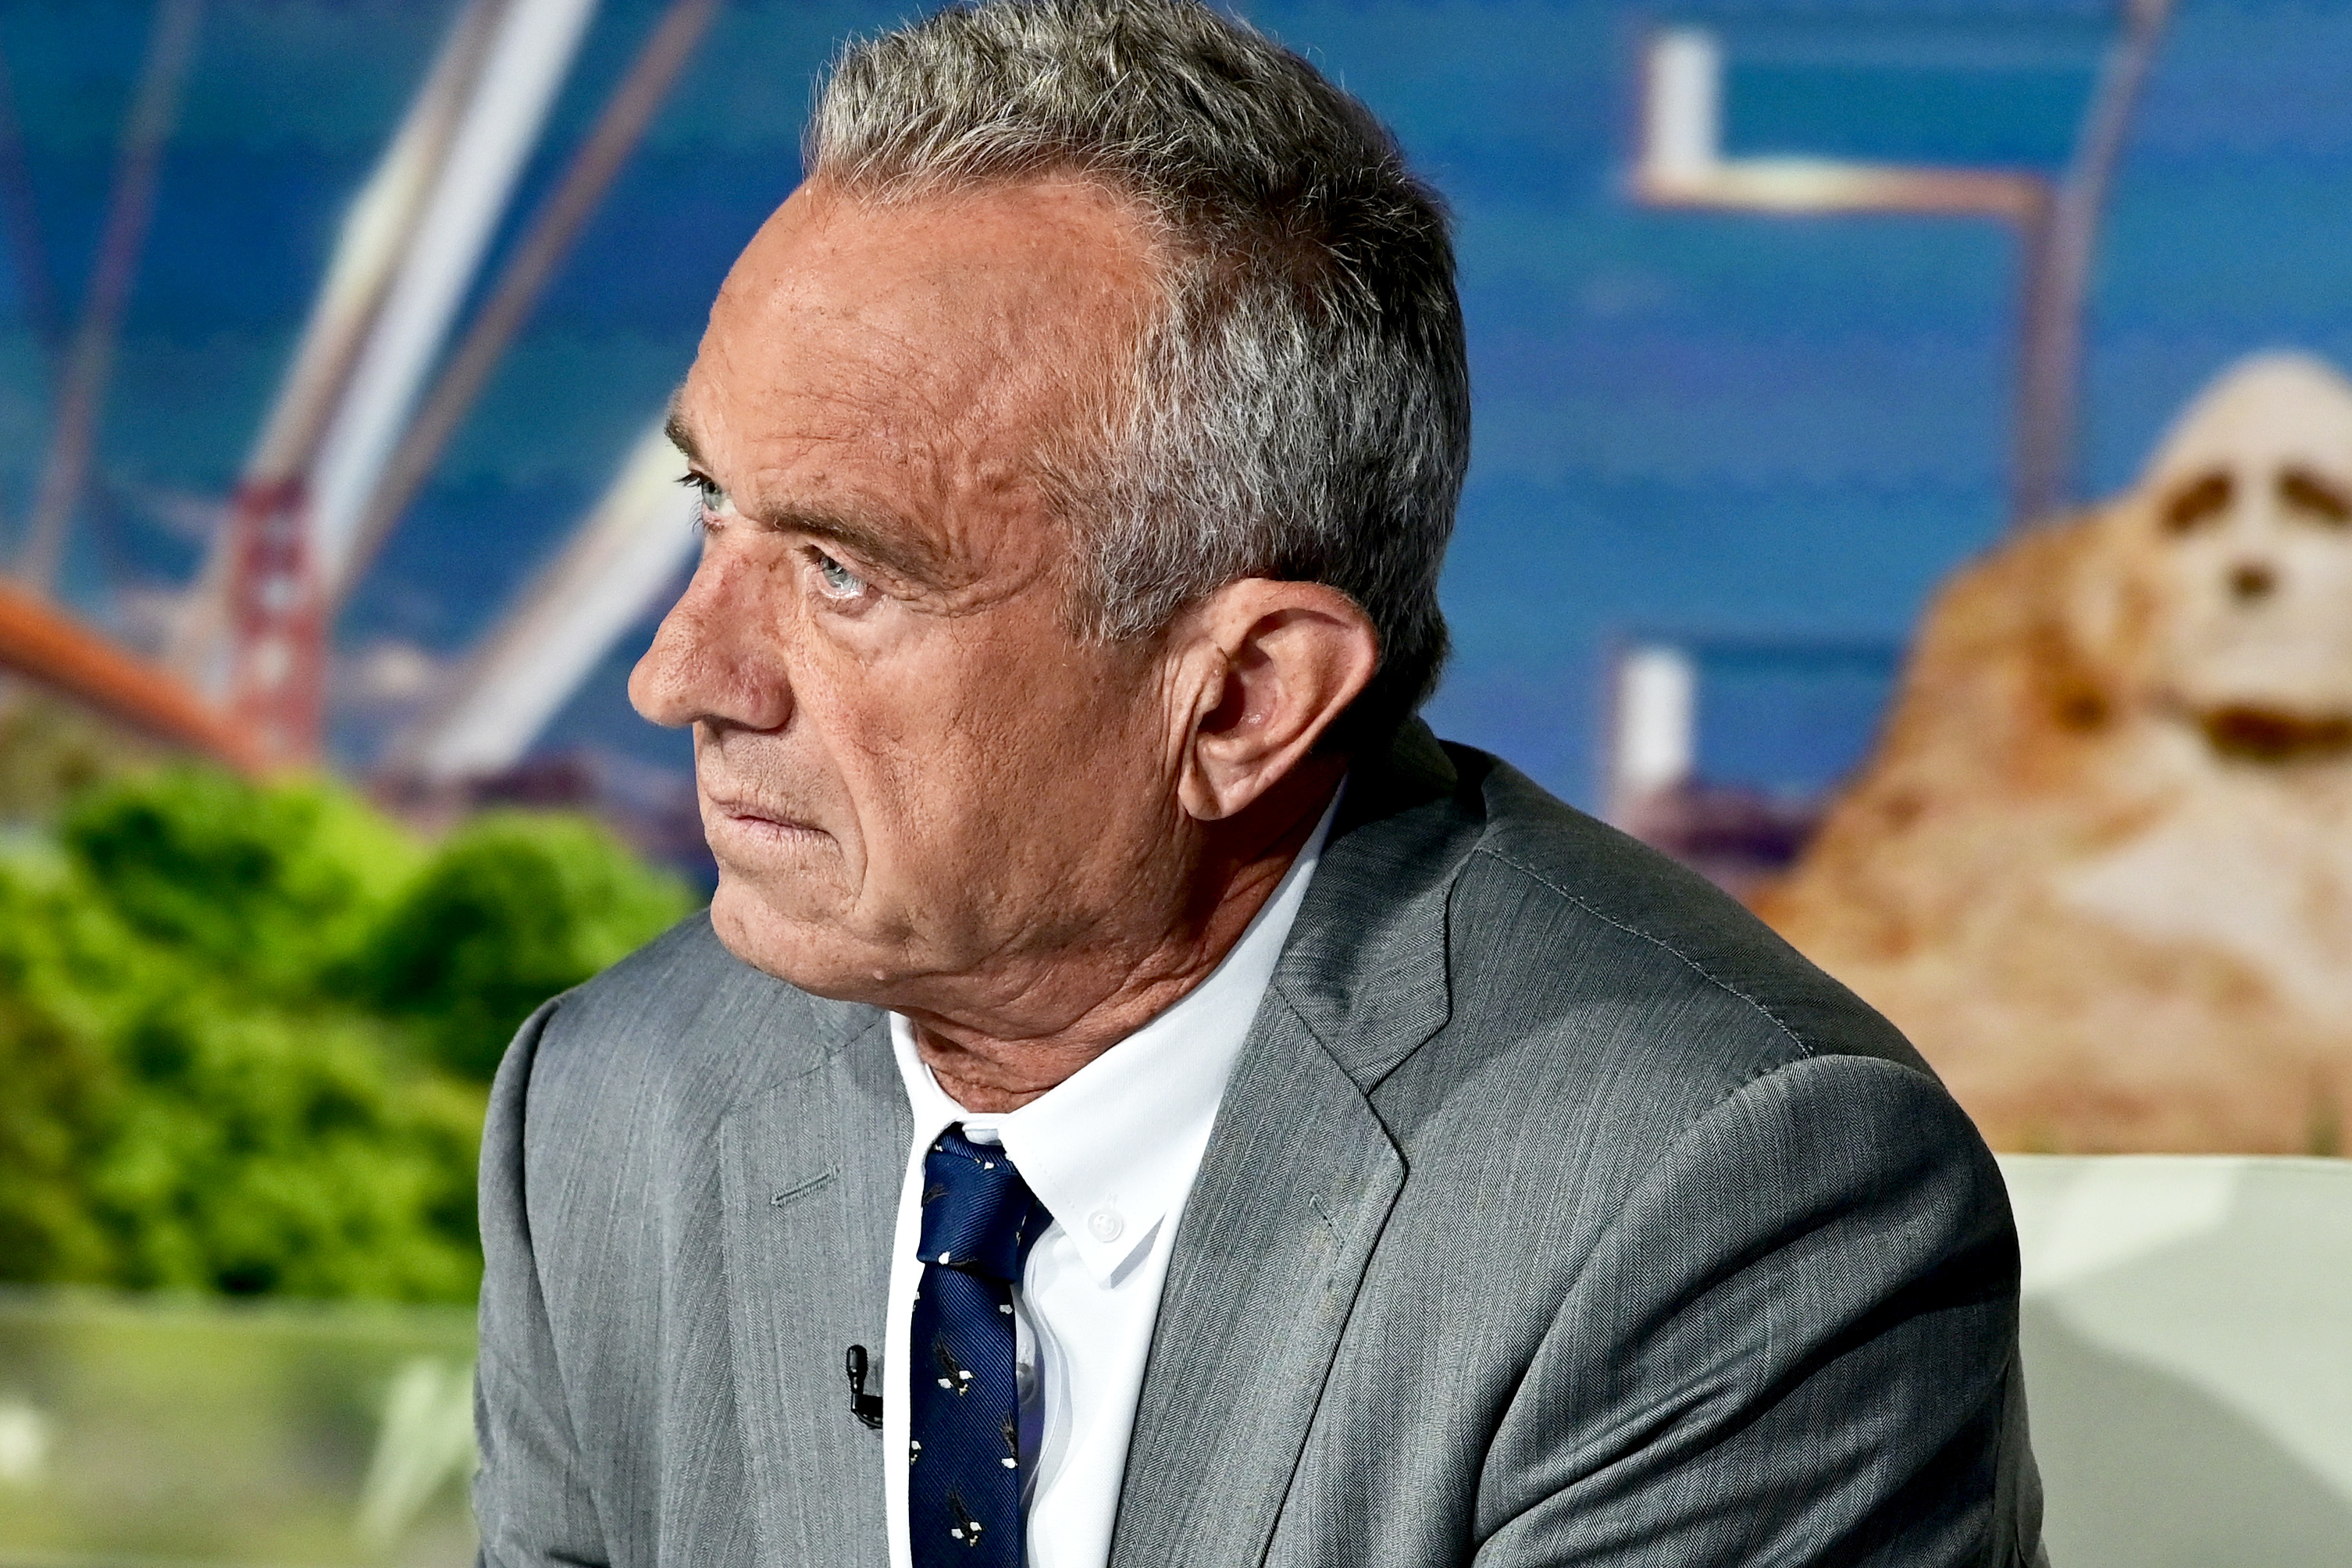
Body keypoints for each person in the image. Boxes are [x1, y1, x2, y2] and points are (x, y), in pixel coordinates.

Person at [472, 2, 2045, 1565]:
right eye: (709, 500)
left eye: (841, 570)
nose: (679, 673)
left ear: (1241, 698)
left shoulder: (1724, 1203)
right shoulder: (611, 1110)